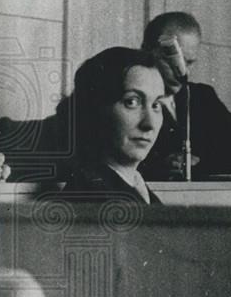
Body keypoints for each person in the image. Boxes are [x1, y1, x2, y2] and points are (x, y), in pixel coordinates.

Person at [138, 11, 231, 180]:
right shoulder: (129, 102)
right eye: (172, 61)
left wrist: (199, 164)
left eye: (189, 62)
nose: (182, 72)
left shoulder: (203, 97)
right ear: (146, 51)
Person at [57, 46, 165, 203]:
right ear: (94, 108)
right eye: (132, 102)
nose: (149, 124)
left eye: (156, 105)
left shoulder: (137, 190)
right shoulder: (90, 198)